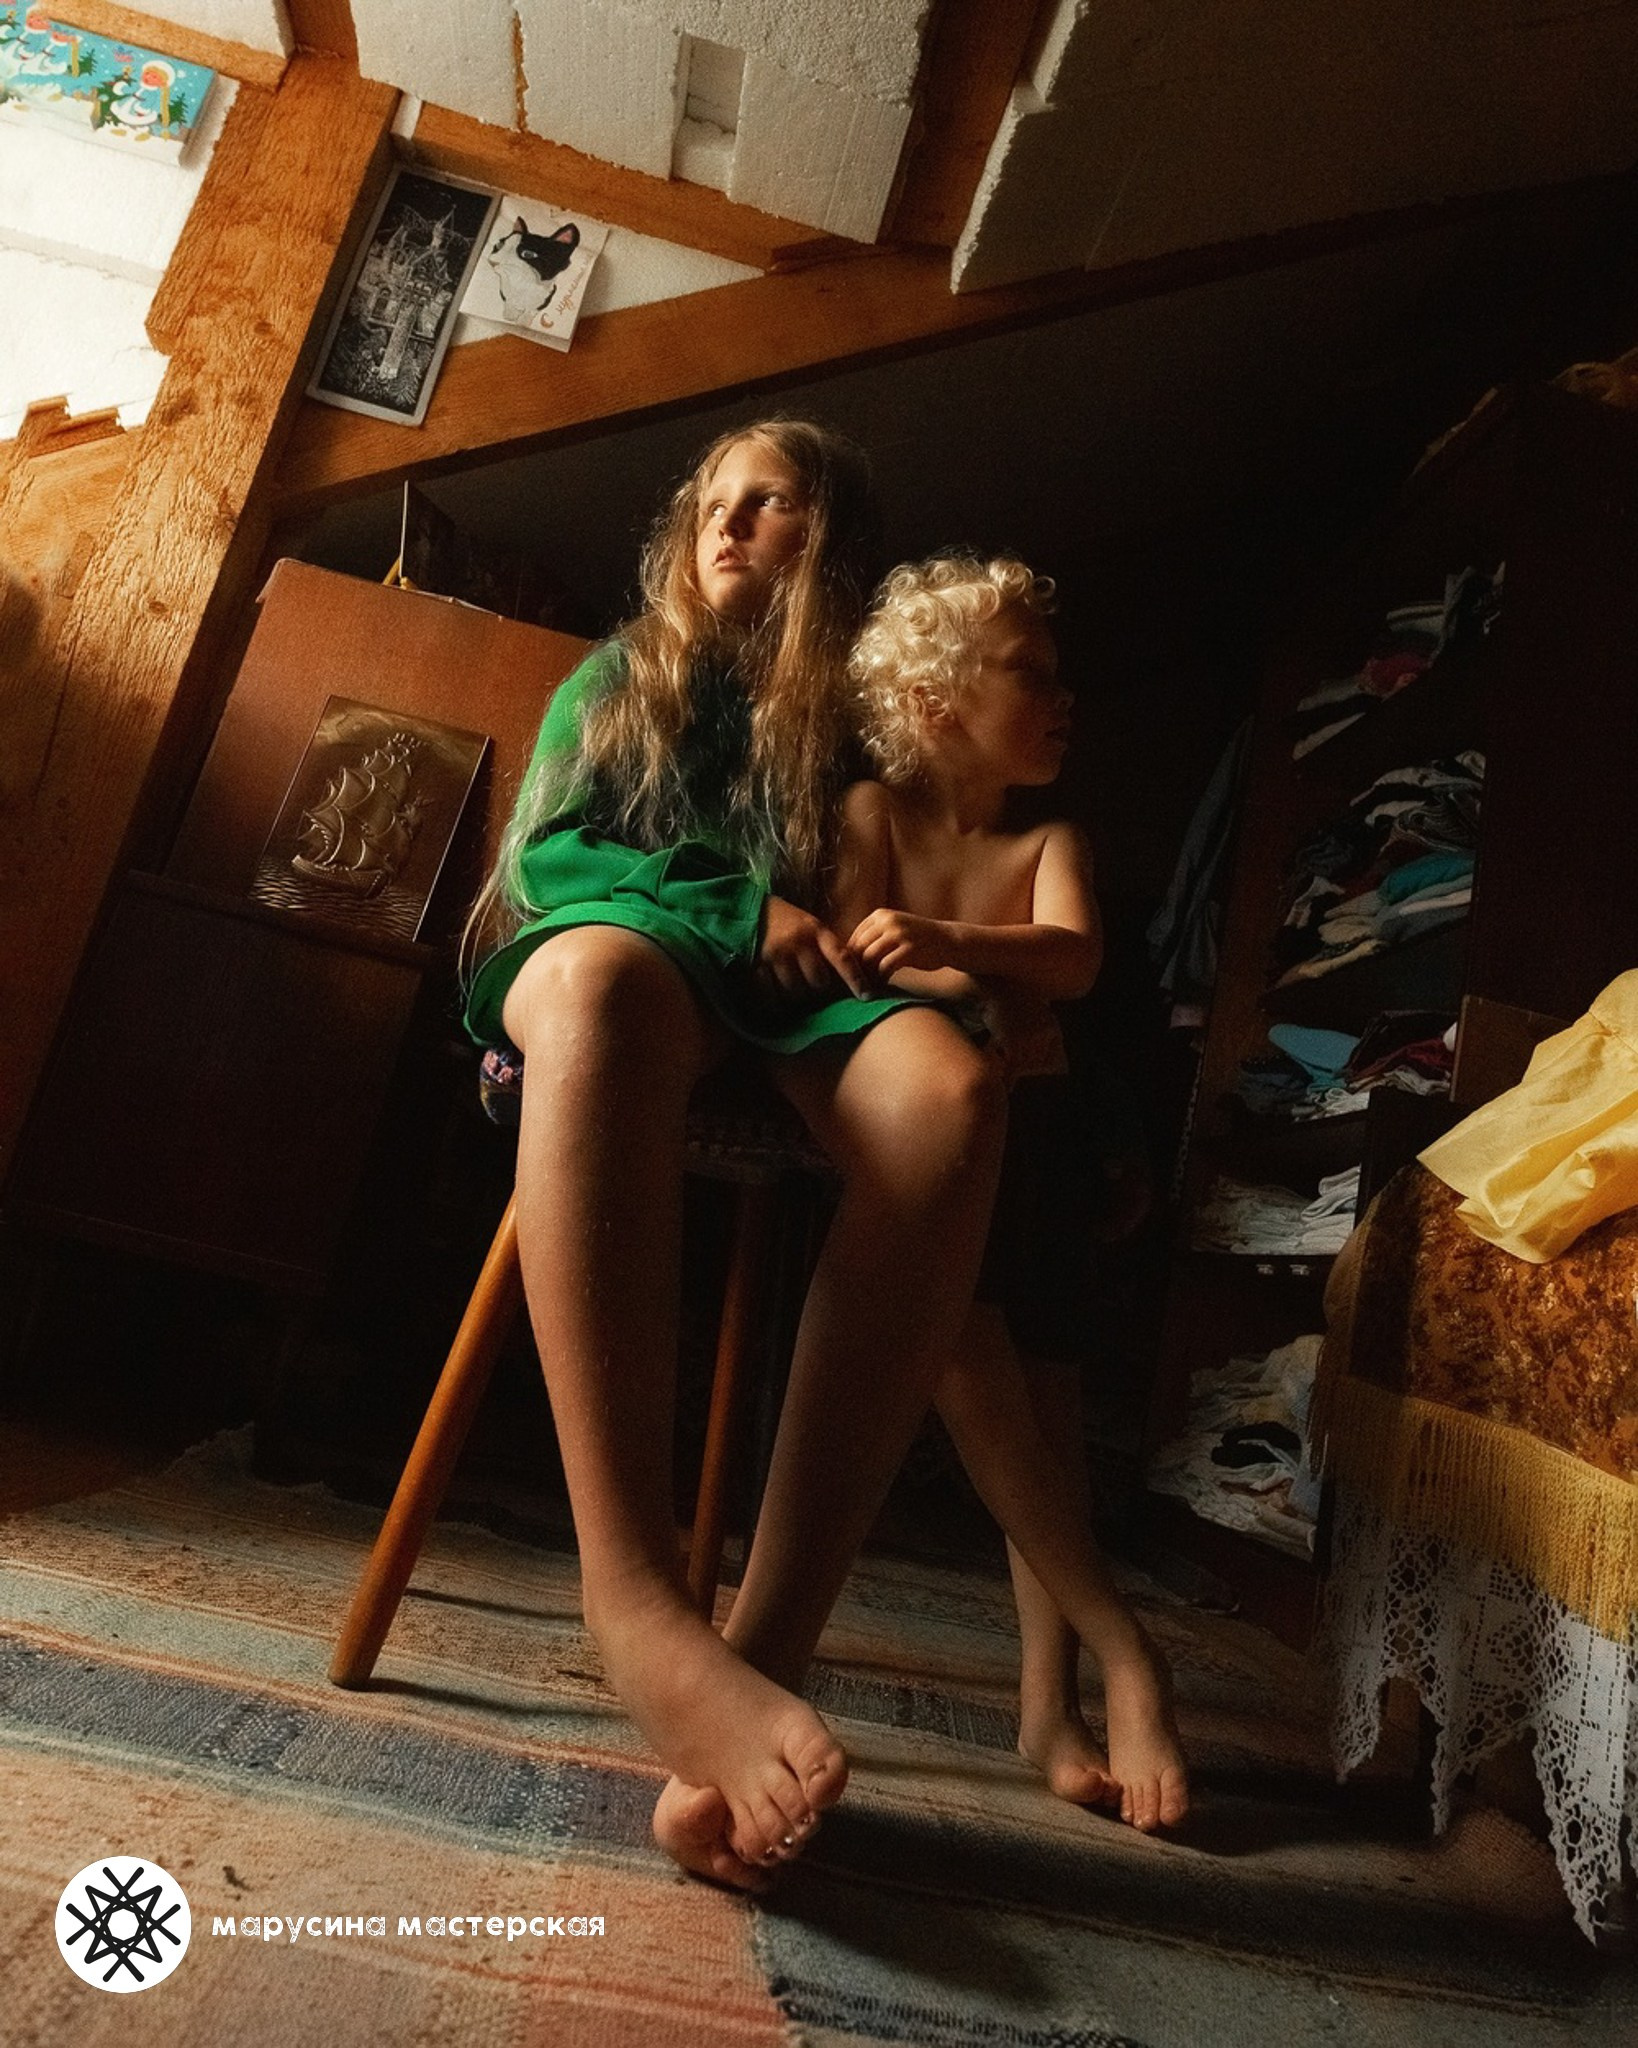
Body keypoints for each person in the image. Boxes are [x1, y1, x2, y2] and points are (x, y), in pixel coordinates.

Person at [464, 423, 1008, 1889]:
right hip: (623, 964)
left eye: (770, 504)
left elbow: (900, 886)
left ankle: (758, 1662)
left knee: (951, 1096)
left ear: (831, 543)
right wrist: (732, 908)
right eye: (715, 501)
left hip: (789, 1003)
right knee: (598, 981)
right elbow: (547, 861)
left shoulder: (855, 729)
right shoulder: (620, 677)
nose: (730, 521)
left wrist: (923, 949)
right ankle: (634, 1602)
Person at [834, 552, 1189, 1833]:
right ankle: (1128, 1645)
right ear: (936, 700)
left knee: (1048, 1396)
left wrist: (955, 947)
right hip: (927, 1136)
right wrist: (978, 984)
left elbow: (1074, 956)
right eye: (1028, 671)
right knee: (968, 1358)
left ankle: (1049, 1701)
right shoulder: (873, 812)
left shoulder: (1052, 840)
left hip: (1040, 1135)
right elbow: (851, 960)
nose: (1062, 695)